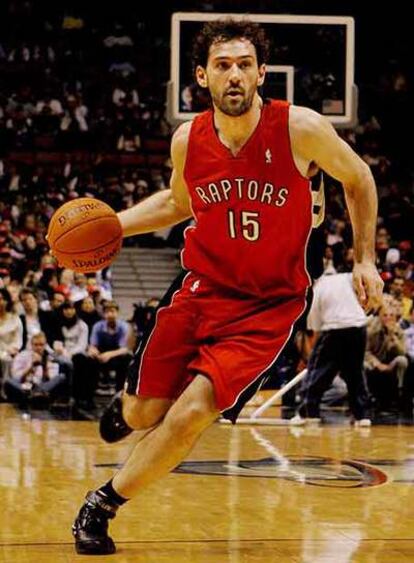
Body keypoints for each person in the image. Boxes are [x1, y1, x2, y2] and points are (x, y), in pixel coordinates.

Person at [72, 19, 383, 555]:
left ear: (263, 73)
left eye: (244, 64)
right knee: (145, 413)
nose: (234, 74)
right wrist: (114, 225)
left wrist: (367, 259)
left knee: (193, 411)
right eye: (222, 65)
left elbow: (358, 177)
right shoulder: (188, 140)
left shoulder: (299, 128)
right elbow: (178, 204)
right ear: (202, 76)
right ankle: (127, 411)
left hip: (269, 306)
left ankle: (101, 506)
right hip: (201, 288)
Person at [290, 272, 371, 426]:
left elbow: (314, 323)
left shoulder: (320, 286)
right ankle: (361, 416)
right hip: (359, 327)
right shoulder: (348, 277)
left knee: (318, 371)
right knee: (355, 372)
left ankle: (307, 412)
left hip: (335, 328)